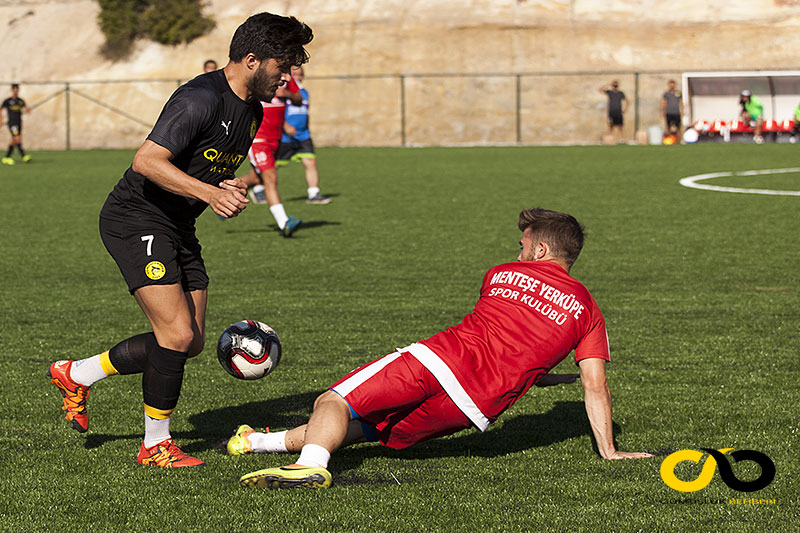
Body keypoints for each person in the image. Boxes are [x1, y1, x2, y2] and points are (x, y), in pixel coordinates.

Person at [46, 12, 313, 468]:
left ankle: (77, 374)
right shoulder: (198, 98)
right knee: (176, 332)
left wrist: (225, 185)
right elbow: (146, 161)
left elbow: (207, 165)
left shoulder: (249, 110)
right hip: (136, 219)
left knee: (187, 342)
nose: (287, 78)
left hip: (177, 224)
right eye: (282, 67)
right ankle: (155, 445)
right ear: (251, 59)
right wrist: (210, 193)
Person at [226, 208, 654, 489]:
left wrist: (531, 367)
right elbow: (593, 384)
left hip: (440, 362)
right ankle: (257, 443)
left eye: (523, 246)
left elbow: (500, 329)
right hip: (476, 408)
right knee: (369, 428)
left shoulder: (500, 273)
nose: (516, 252)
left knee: (334, 401)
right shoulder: (589, 310)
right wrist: (609, 450)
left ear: (541, 250)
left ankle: (308, 468)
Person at [241, 78, 304, 236]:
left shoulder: (286, 79)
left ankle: (219, 193)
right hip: (258, 139)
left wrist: (288, 93)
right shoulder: (258, 75)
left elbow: (298, 100)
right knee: (270, 177)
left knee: (256, 178)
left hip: (276, 139)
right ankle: (284, 223)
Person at [276, 65, 332, 205]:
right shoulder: (282, 91)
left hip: (303, 135)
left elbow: (306, 113)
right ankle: (258, 186)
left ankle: (313, 193)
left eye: (300, 74)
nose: (298, 77)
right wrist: (285, 125)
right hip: (286, 137)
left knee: (310, 162)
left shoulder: (305, 93)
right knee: (272, 167)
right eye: (295, 74)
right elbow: (277, 112)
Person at [1, 83, 31, 165]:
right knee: (17, 139)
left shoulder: (20, 101)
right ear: (12, 90)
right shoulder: (7, 101)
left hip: (19, 123)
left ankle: (6, 157)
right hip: (12, 123)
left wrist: (28, 110)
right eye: (14, 89)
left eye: (17, 89)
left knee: (14, 141)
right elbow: (0, 110)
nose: (16, 90)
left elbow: (27, 109)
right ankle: (24, 156)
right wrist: (1, 120)